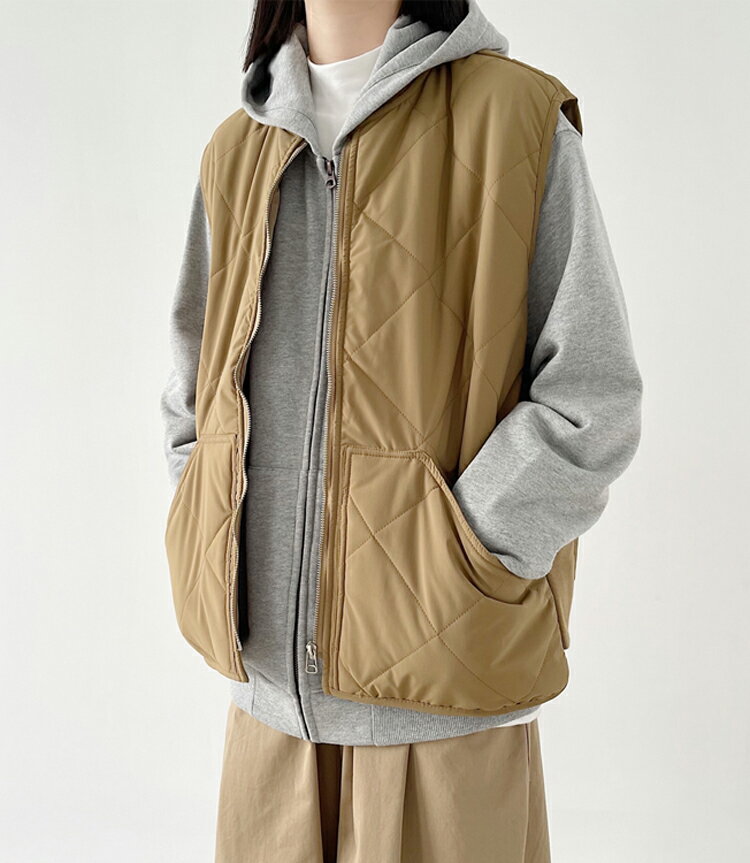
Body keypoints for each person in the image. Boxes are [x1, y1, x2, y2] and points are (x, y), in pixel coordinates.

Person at [159, 0, 643, 860]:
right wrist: (211, 518)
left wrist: (459, 550)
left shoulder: (516, 119)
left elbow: (590, 397)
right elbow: (193, 391)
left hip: (443, 705)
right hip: (267, 715)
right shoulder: (236, 151)